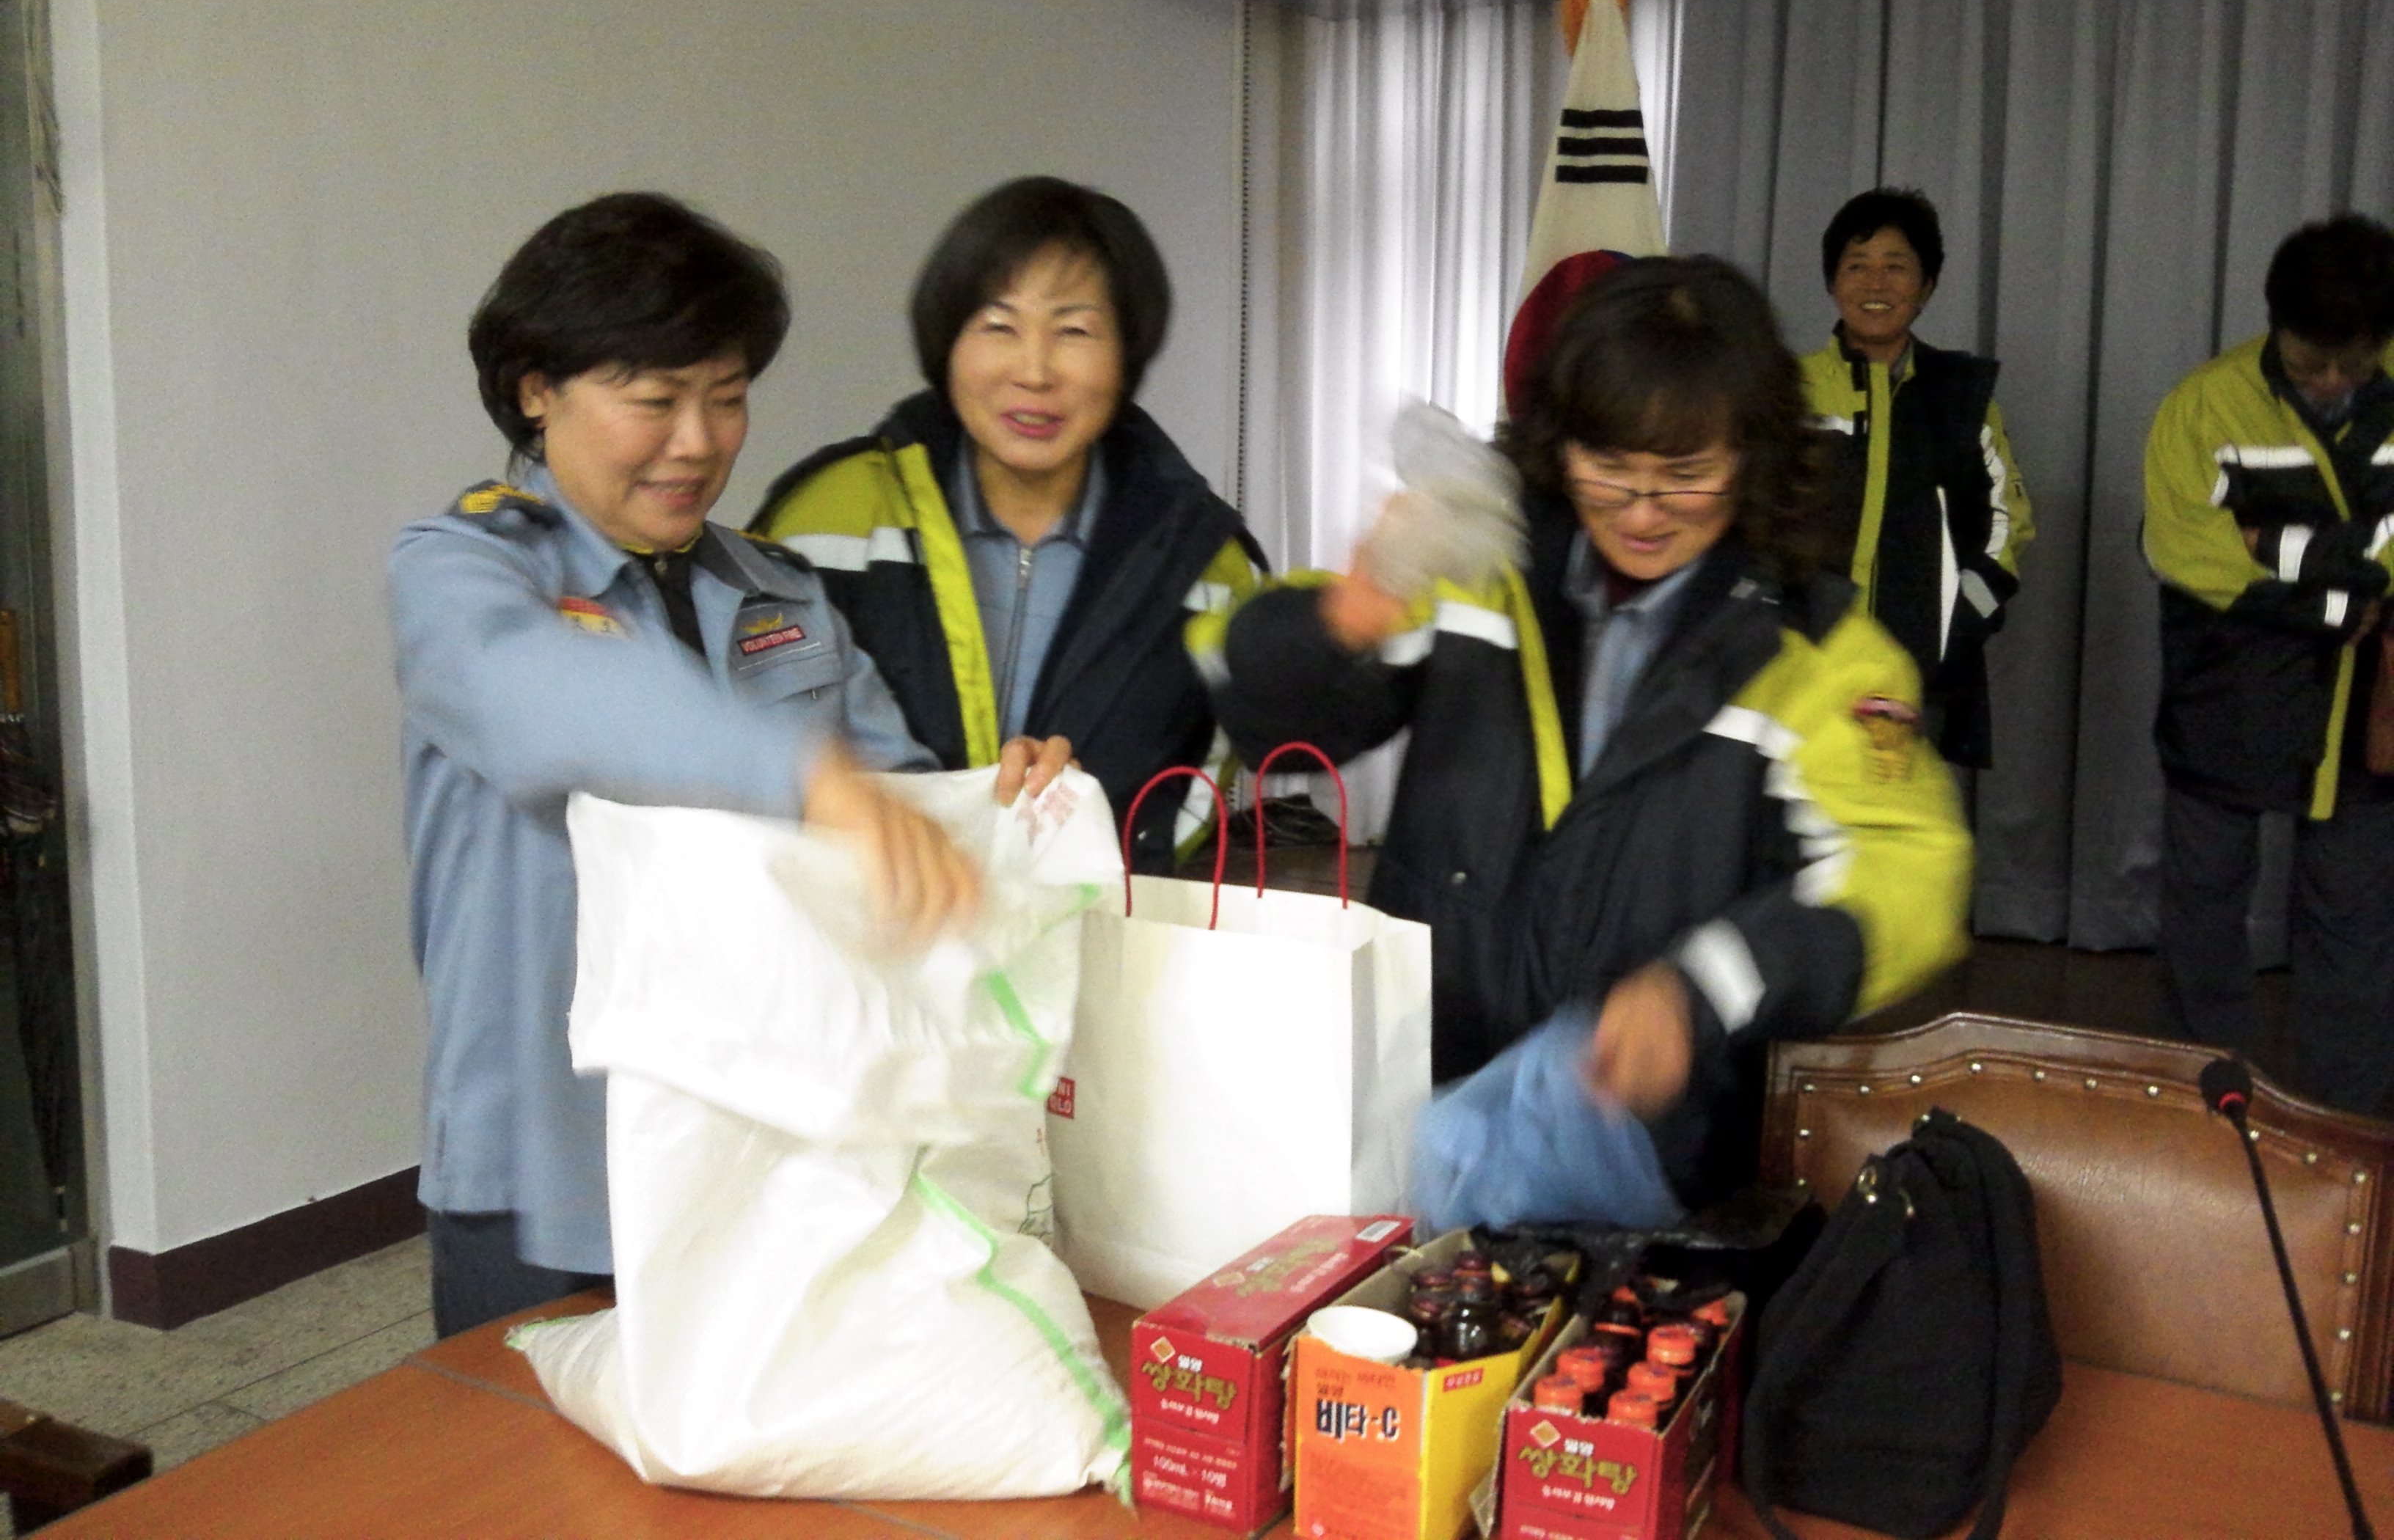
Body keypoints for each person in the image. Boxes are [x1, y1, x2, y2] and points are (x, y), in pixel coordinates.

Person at [390, 192, 1068, 1337]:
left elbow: (888, 806)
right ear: (537, 389)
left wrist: (992, 803)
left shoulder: (776, 589)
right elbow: (550, 704)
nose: (699, 442)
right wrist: (809, 778)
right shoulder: (464, 575)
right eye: (656, 401)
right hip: (556, 1164)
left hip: (773, 1145)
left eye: (728, 396)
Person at [1194, 256, 1972, 1212]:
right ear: (1561, 444)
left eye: (1686, 475)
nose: (1642, 513)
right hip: (1411, 1108)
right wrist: (1342, 619)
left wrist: (1705, 988)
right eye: (1609, 468)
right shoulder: (1479, 573)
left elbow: (1908, 872)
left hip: (1648, 1157)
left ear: (1753, 454)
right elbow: (1253, 706)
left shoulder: (1821, 657)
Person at [747, 177, 1262, 869]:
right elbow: (756, 728)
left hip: (1088, 920)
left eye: (1074, 331)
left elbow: (1209, 766)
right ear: (947, 343)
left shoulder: (1202, 559)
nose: (1034, 372)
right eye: (999, 326)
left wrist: (1087, 847)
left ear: (1127, 355)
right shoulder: (828, 518)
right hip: (863, 916)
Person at [2142, 213, 2394, 1115]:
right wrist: (2339, 598)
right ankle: (2205, 1114)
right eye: (2308, 359)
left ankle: (2345, 1132)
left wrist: (2271, 544)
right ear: (2274, 326)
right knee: (2203, 912)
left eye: (2352, 363)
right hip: (2226, 694)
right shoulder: (2204, 405)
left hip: (2365, 711)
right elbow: (2182, 547)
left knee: (2355, 926)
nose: (2329, 382)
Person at [1798, 188, 2033, 768]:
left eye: (1896, 267)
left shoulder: (1963, 399)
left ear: (1926, 286)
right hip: (1802, 671)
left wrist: (1959, 621)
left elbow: (2007, 523)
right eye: (1857, 266)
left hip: (1915, 681)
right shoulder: (1788, 391)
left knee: (1904, 814)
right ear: (1832, 282)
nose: (1875, 283)